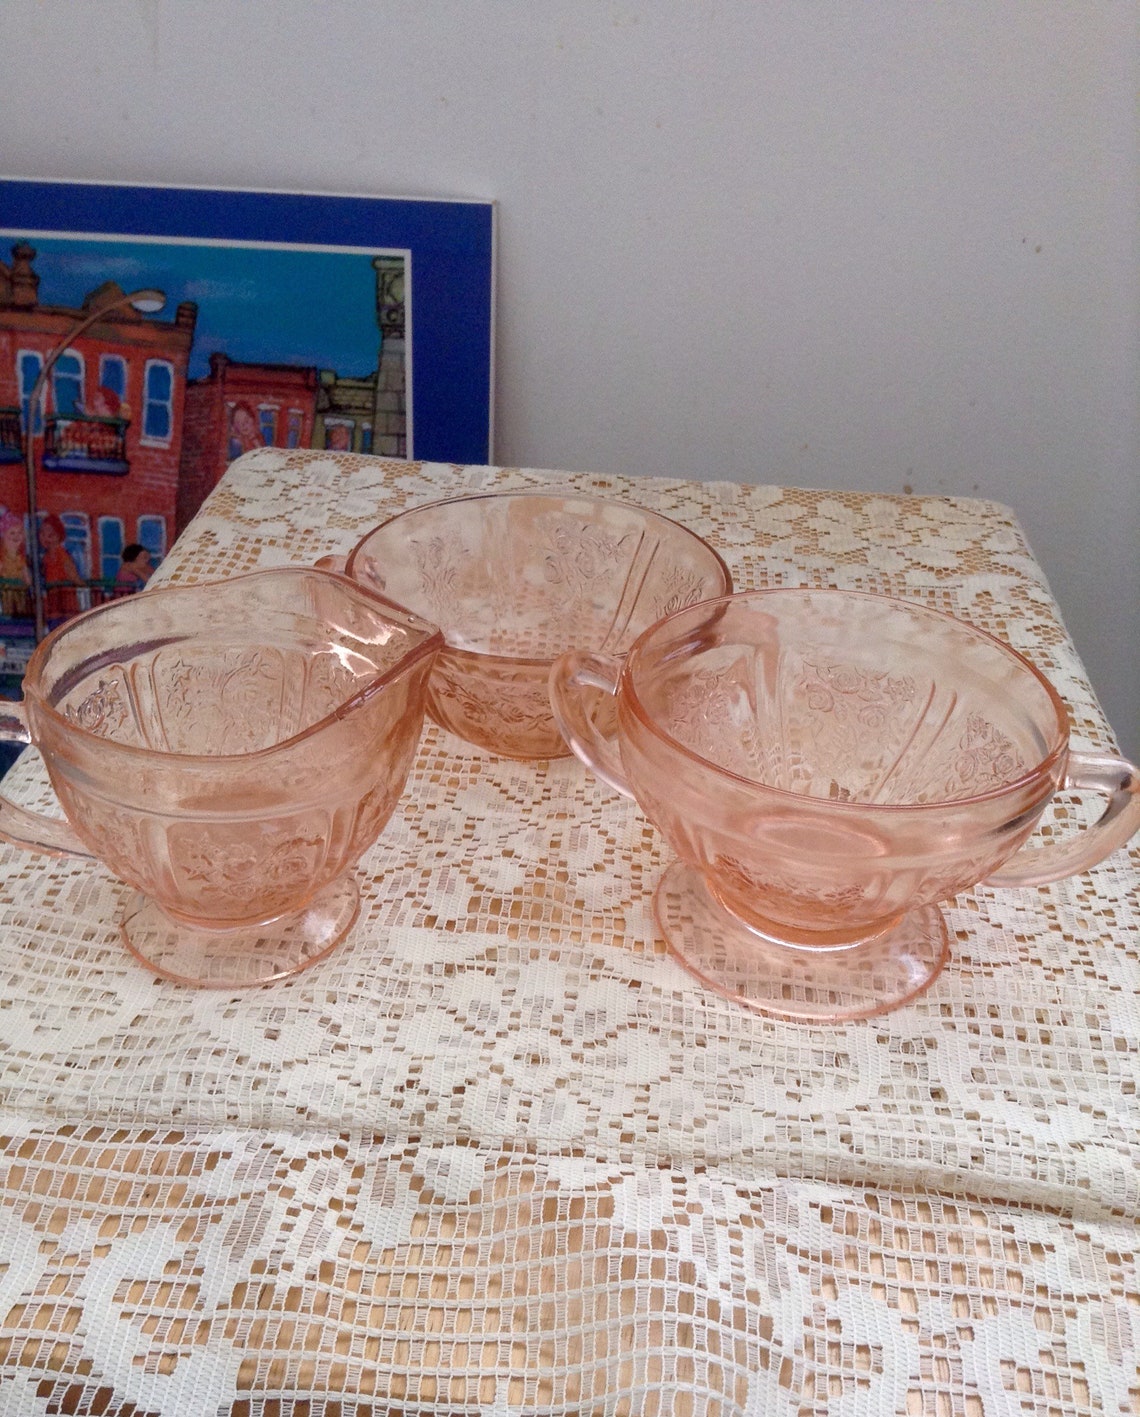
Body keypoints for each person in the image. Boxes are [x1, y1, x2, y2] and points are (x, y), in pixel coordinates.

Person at [38, 513, 84, 619]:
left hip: (66, 603)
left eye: (50, 535)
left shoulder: (62, 555)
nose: (46, 539)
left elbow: (73, 576)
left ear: (58, 535)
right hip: (53, 603)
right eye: (42, 534)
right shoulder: (45, 558)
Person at [0, 511, 30, 617]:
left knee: (21, 610)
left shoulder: (21, 558)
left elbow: (27, 578)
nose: (16, 536)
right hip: (6, 590)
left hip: (19, 591)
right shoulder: (2, 557)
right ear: (4, 536)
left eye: (19, 533)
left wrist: (27, 583)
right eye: (12, 533)